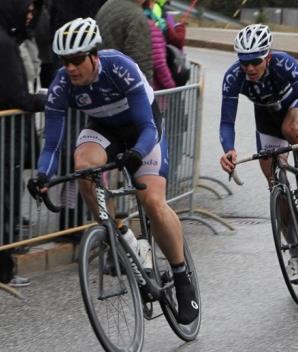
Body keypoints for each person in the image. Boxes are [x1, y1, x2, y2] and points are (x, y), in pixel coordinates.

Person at [29, 18, 198, 323]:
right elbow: (52, 142)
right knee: (83, 167)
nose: (70, 67)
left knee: (153, 203)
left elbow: (147, 126)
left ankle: (181, 275)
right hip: (104, 130)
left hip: (142, 132)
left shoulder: (120, 68)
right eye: (65, 61)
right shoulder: (62, 84)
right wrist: (42, 175)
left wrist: (136, 154)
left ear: (94, 55)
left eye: (78, 59)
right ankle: (123, 236)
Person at [218, 24, 298, 279]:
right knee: (275, 186)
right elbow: (227, 122)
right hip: (266, 121)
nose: (249, 68)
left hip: (293, 109)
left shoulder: (284, 63)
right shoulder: (233, 76)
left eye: (255, 62)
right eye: (244, 62)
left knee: (291, 129)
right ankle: (295, 253)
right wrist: (228, 150)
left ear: (267, 57)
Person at [0, 0, 47, 288]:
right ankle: (4, 269)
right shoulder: (5, 45)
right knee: (5, 199)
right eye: (26, 8)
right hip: (6, 135)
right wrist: (45, 100)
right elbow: (16, 95)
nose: (30, 14)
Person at [96, 0, 153, 84]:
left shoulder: (109, 4)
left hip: (99, 77)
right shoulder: (136, 15)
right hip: (122, 85)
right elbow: (141, 61)